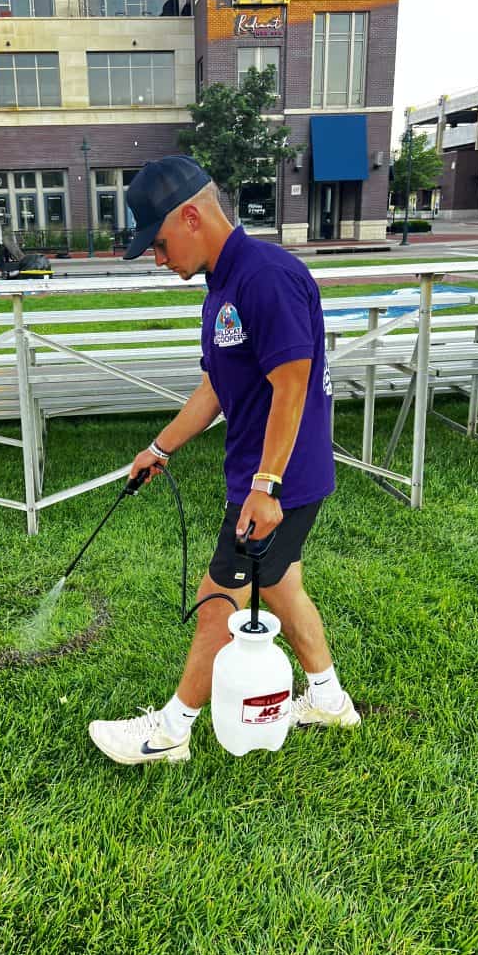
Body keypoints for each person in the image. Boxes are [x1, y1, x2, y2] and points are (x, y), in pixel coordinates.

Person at [88, 155, 360, 766]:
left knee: (219, 597)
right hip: (264, 477)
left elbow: (293, 385)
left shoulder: (266, 278)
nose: (159, 260)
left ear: (191, 216)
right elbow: (215, 388)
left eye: (158, 245)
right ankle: (328, 699)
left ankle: (169, 731)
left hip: (280, 480)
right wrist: (159, 448)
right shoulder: (222, 288)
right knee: (281, 582)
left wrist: (266, 487)